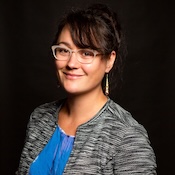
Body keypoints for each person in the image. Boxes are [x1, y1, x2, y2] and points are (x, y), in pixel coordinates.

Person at [17, 3, 157, 175]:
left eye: (86, 53)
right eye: (63, 50)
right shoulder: (39, 118)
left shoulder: (128, 137)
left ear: (109, 60)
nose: (71, 63)